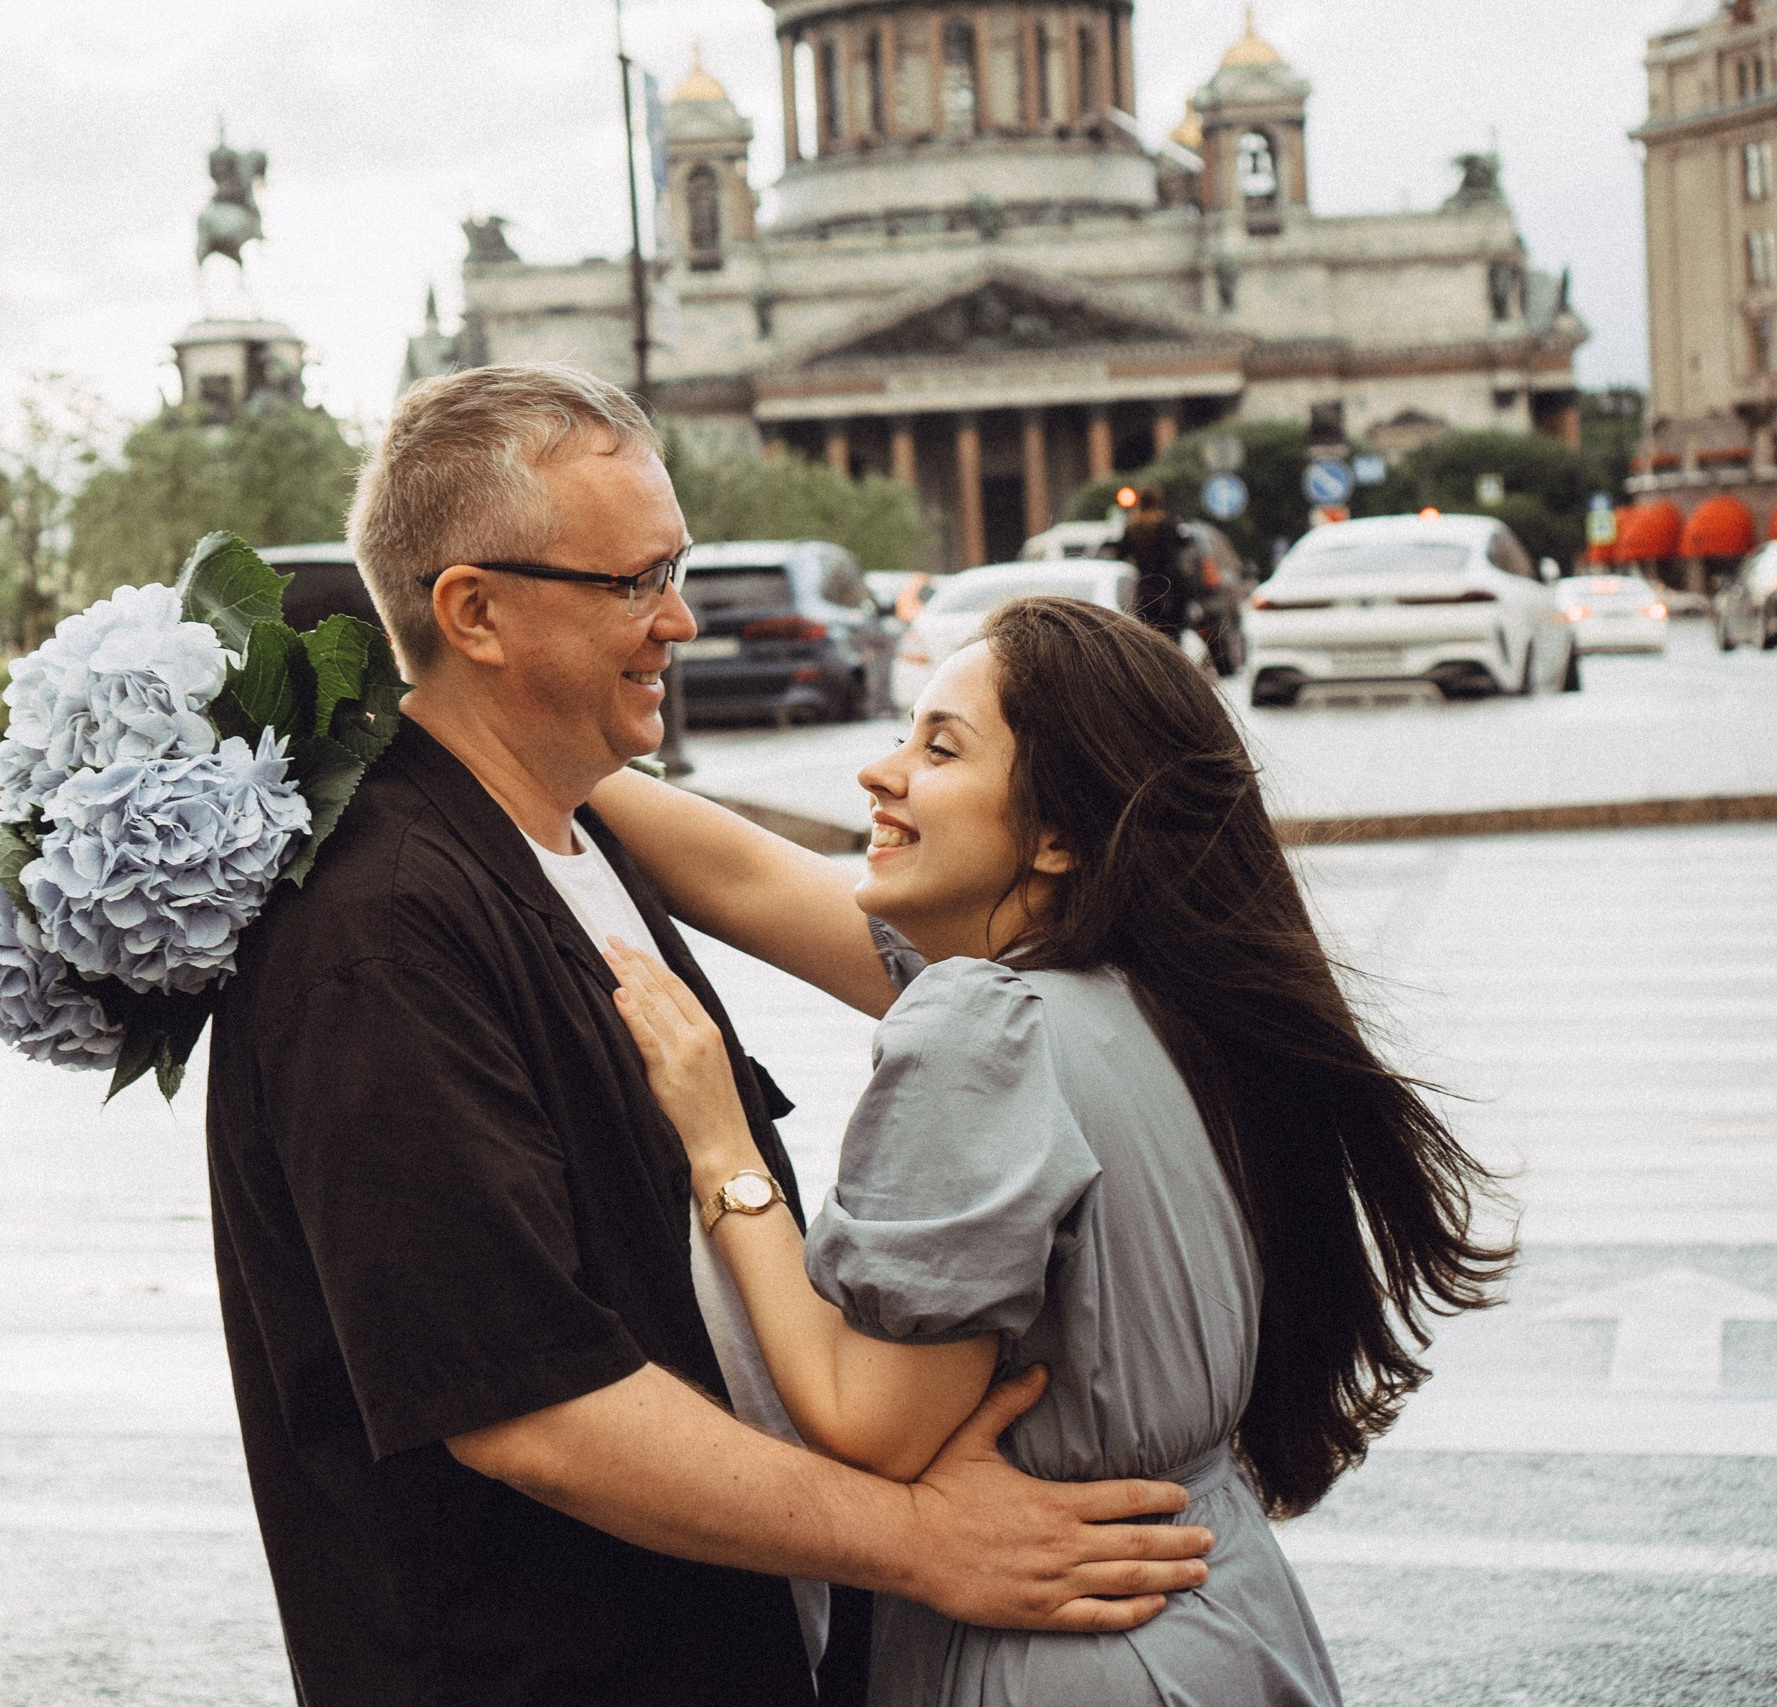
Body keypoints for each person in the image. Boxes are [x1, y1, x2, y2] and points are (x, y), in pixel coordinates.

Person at [203, 365, 1215, 1707]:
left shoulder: (570, 831)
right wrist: (921, 1541)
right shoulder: (380, 935)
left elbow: (760, 879)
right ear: (474, 611)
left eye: (671, 568)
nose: (680, 617)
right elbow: (529, 1407)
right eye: (634, 581)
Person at [589, 596, 1513, 1705]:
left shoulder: (983, 1028)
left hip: (1062, 1651)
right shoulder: (1162, 988)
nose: (879, 773)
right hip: (1221, 1618)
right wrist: (535, 750)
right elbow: (747, 877)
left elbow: (866, 1420)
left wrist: (720, 1144)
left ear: (1061, 835)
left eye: (940, 749)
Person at [1117, 487, 1192, 645]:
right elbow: (1176, 554)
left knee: (1150, 641)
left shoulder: (1132, 528)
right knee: (1172, 642)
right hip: (1169, 592)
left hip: (1146, 592)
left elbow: (1120, 554)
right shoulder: (1167, 526)